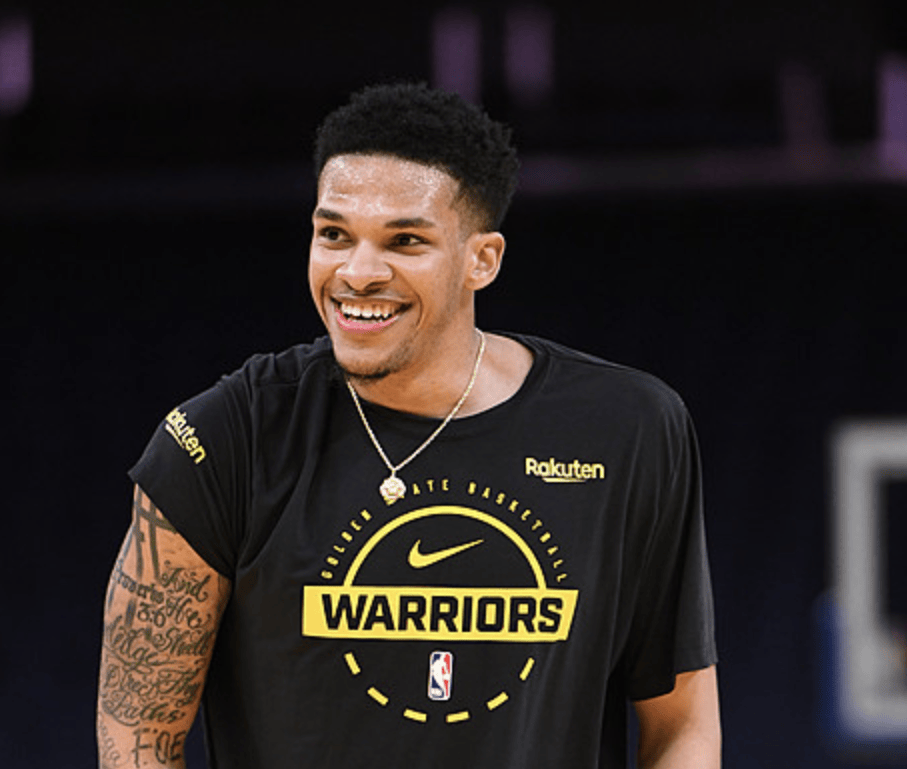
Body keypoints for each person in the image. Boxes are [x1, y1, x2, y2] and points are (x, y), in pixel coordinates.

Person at [96, 82, 720, 769]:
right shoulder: (224, 437)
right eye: (334, 235)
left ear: (482, 259)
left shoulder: (626, 428)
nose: (358, 272)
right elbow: (137, 734)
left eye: (405, 241)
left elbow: (681, 724)